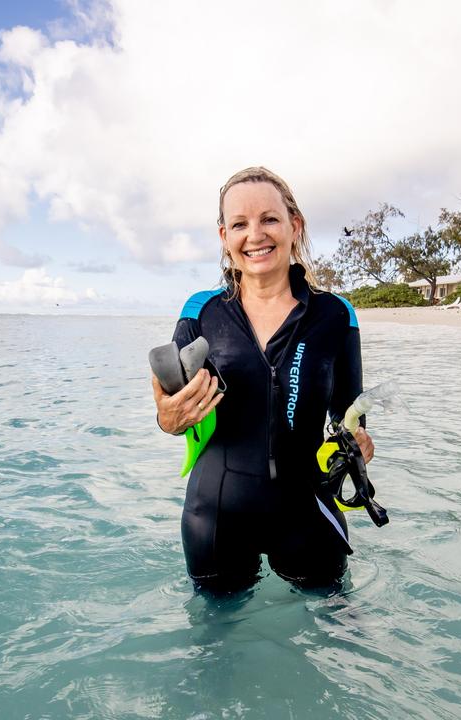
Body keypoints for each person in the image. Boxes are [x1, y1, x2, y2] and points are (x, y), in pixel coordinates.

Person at [151, 166, 375, 593]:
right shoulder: (202, 311)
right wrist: (167, 418)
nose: (256, 235)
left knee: (335, 638)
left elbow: (349, 414)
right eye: (240, 224)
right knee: (216, 648)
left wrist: (358, 442)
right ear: (224, 238)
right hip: (216, 514)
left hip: (308, 510)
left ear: (295, 226)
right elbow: (172, 407)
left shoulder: (334, 315)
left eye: (269, 219)